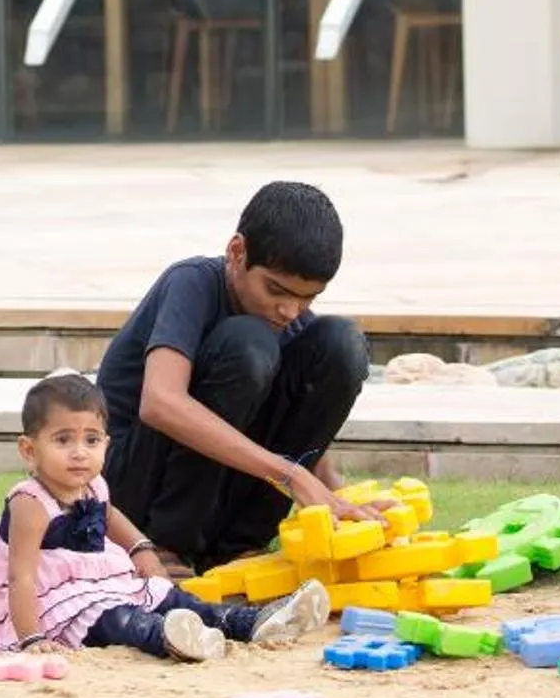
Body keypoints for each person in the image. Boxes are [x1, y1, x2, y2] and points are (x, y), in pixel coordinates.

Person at [97, 181, 375, 574]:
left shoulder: (287, 316)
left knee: (340, 344)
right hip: (134, 491)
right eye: (276, 289)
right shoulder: (191, 282)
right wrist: (288, 474)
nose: (289, 310)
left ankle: (240, 547)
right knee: (249, 343)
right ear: (237, 251)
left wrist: (343, 498)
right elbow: (160, 402)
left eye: (307, 298)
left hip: (215, 496)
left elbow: (301, 418)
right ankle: (166, 545)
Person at [0, 371, 329, 662]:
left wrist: (142, 548)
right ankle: (170, 637)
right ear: (29, 450)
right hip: (56, 603)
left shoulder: (93, 486)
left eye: (91, 441)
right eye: (63, 441)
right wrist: (32, 639)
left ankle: (250, 622)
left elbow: (110, 516)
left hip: (99, 584)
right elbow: (21, 577)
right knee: (118, 621)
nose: (80, 453)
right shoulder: (29, 502)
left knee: (167, 594)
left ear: (106, 444)